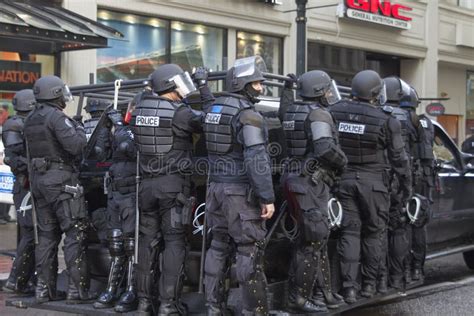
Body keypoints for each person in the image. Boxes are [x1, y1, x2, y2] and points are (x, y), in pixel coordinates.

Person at [130, 64, 212, 315]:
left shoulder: (140, 109)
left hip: (145, 186)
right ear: (169, 85)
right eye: (178, 83)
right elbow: (211, 118)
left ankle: (144, 304)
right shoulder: (181, 114)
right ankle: (168, 305)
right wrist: (204, 86)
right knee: (175, 244)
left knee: (147, 244)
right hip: (173, 187)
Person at [203, 56, 275, 316]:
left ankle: (213, 307)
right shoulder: (248, 115)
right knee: (249, 250)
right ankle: (254, 311)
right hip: (238, 194)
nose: (261, 88)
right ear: (244, 84)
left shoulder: (214, 108)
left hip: (215, 190)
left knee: (218, 245)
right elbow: (256, 158)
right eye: (257, 83)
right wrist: (266, 196)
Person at [330, 70, 410, 303]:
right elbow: (399, 159)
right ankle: (368, 286)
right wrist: (406, 187)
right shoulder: (386, 119)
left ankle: (349, 289)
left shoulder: (336, 111)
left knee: (350, 233)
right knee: (374, 234)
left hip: (344, 180)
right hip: (374, 184)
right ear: (376, 92)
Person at [279, 70, 347, 312]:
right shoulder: (318, 114)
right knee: (312, 241)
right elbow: (324, 148)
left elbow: (283, 108)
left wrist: (287, 88)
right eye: (327, 89)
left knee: (316, 238)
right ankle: (298, 299)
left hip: (295, 180)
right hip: (309, 183)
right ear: (319, 91)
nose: (330, 93)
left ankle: (325, 293)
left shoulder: (292, 110)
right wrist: (343, 161)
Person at [23, 75, 94, 303]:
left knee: (46, 237)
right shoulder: (56, 117)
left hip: (40, 183)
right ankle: (77, 291)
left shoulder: (31, 119)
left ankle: (43, 291)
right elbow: (76, 146)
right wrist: (80, 128)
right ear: (55, 94)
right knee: (75, 233)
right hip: (62, 181)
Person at [93, 104, 138, 312]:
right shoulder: (118, 129)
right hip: (115, 192)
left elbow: (128, 148)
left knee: (131, 245)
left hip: (132, 193)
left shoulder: (137, 128)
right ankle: (112, 289)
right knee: (115, 245)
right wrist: (104, 126)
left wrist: (119, 124)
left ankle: (131, 290)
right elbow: (101, 154)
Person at [382, 76, 420, 290]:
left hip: (378, 178)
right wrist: (407, 186)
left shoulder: (379, 114)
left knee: (376, 231)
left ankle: (377, 280)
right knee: (398, 229)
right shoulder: (409, 118)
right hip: (398, 179)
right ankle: (396, 278)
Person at [2, 89, 36, 294]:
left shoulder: (28, 123)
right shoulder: (14, 125)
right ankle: (16, 280)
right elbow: (15, 159)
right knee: (30, 234)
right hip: (25, 187)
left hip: (33, 185)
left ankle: (26, 278)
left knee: (34, 234)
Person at [405, 88, 435, 282]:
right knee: (417, 224)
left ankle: (407, 269)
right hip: (421, 178)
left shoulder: (398, 119)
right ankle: (416, 268)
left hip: (404, 178)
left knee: (401, 224)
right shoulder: (424, 122)